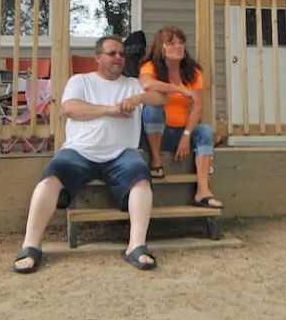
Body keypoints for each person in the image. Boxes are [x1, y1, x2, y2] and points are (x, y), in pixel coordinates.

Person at [12, 35, 170, 274]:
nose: (119, 58)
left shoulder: (131, 84)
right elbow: (70, 108)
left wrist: (138, 97)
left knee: (139, 172)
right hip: (80, 151)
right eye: (112, 53)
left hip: (120, 154)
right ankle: (31, 245)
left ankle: (136, 246)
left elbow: (161, 98)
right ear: (97, 57)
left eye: (121, 54)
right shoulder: (81, 81)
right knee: (52, 175)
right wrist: (111, 109)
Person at [138, 26, 223, 209]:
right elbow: (146, 84)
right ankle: (156, 160)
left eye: (181, 42)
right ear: (161, 48)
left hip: (180, 134)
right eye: (171, 43)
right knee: (153, 109)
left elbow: (197, 106)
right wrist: (180, 89)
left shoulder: (193, 72)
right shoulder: (150, 67)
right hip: (154, 135)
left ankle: (203, 191)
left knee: (206, 131)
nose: (178, 47)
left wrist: (186, 135)